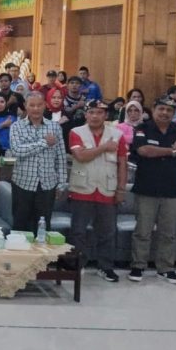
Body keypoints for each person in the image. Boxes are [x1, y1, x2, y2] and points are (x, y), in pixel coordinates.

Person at [128, 96, 176, 284]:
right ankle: (138, 266)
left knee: (168, 233)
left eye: (169, 110)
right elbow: (144, 150)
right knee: (142, 231)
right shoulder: (142, 128)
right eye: (161, 109)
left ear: (174, 113)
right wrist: (171, 151)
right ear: (153, 109)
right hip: (146, 188)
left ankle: (166, 268)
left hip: (172, 189)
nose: (165, 113)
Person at [67, 100, 128, 282]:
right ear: (86, 114)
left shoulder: (117, 135)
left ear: (106, 115)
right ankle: (78, 264)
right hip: (82, 188)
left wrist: (121, 189)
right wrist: (104, 147)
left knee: (107, 232)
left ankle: (105, 267)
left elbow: (122, 164)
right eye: (91, 112)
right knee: (78, 230)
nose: (95, 116)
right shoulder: (76, 132)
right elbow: (80, 156)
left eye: (99, 113)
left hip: (107, 188)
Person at [9, 92, 67, 233]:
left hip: (47, 184)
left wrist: (61, 183)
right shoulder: (17, 126)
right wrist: (44, 143)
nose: (36, 108)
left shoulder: (55, 127)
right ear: (25, 106)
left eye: (39, 105)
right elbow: (17, 150)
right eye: (32, 105)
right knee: (20, 225)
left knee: (42, 226)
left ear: (45, 105)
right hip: (22, 183)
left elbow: (60, 157)